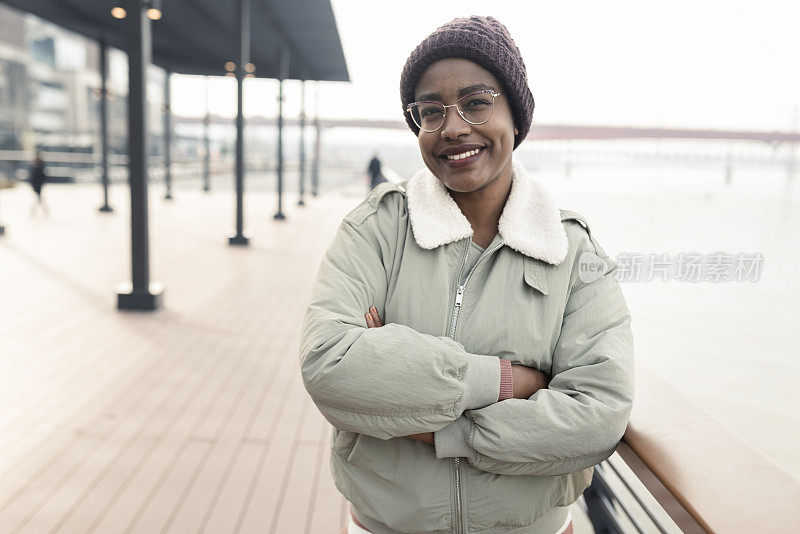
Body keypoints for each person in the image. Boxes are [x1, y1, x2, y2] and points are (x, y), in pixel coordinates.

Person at [300, 16, 634, 534]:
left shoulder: (572, 251)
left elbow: (598, 416)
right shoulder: (376, 228)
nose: (453, 127)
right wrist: (503, 382)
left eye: (477, 102)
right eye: (430, 111)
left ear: (516, 117)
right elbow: (330, 365)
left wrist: (435, 427)